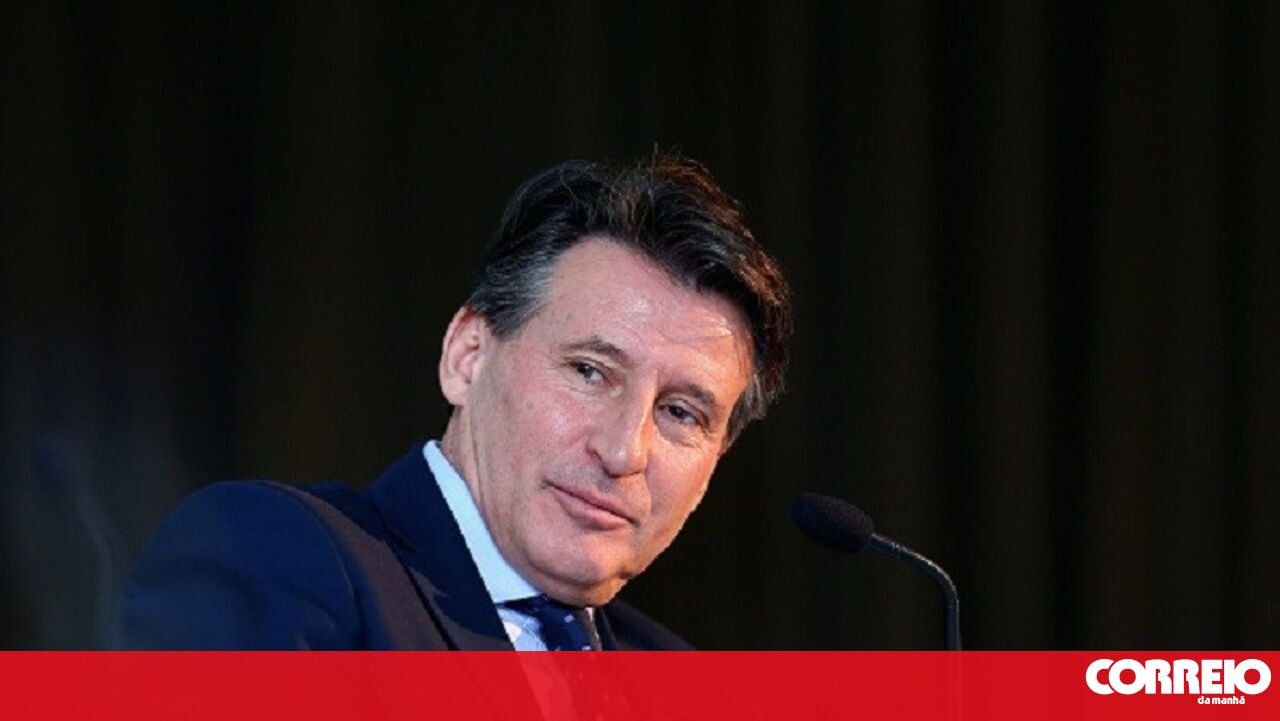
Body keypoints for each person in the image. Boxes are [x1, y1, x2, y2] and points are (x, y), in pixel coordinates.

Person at [111, 155, 792, 650]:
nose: (623, 450)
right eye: (589, 372)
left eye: (680, 413)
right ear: (467, 356)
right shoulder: (278, 556)